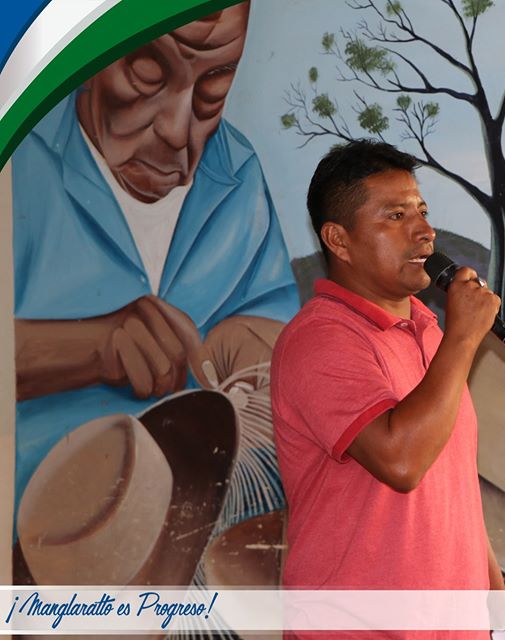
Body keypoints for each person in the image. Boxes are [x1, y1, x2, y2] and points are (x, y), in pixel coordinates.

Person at [12, 2, 298, 521]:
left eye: (213, 86)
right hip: (35, 546)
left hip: (205, 540)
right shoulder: (18, 154)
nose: (177, 130)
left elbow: (278, 339)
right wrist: (92, 348)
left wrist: (268, 356)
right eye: (147, 70)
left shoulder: (238, 174)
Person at [271, 141, 505, 638]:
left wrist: (501, 604)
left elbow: (455, 494)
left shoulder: (431, 332)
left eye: (423, 212)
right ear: (339, 241)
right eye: (396, 216)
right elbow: (401, 462)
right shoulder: (320, 339)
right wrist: (463, 338)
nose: (425, 232)